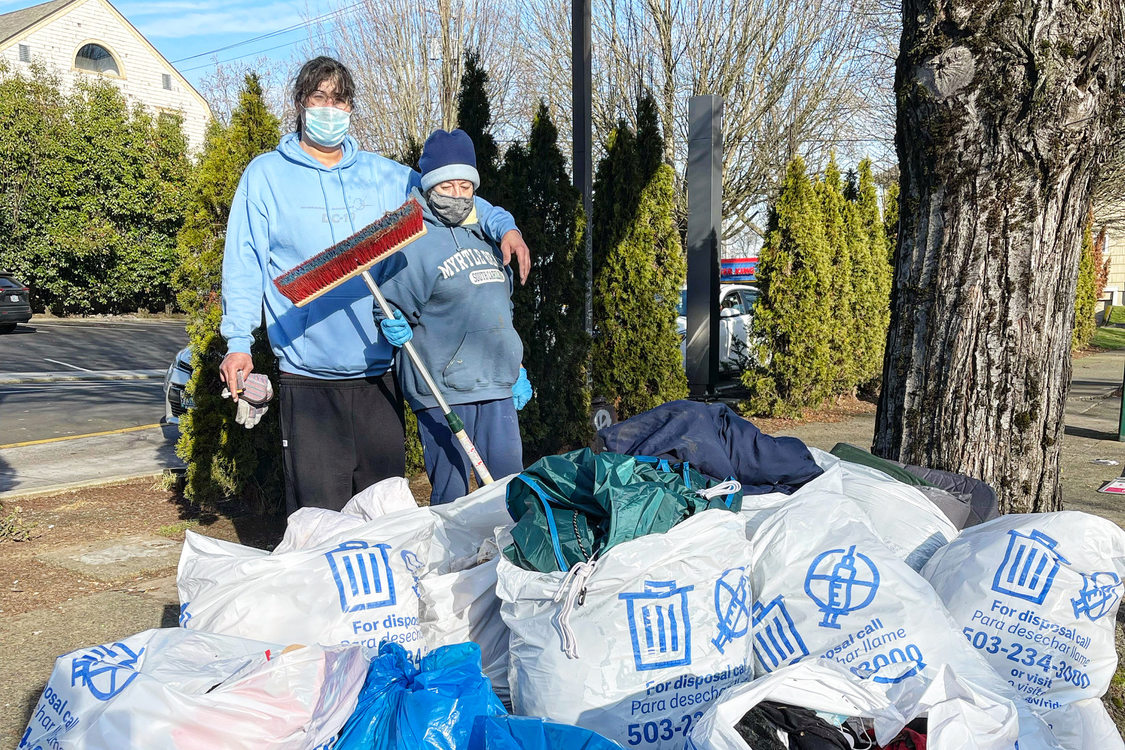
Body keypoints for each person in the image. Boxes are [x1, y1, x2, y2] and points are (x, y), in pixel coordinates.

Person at [219, 57, 530, 515]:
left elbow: (452, 195)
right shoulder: (265, 177)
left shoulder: (386, 177)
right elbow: (244, 263)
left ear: (350, 107)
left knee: (386, 521)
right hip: (309, 378)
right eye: (319, 97)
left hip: (378, 375)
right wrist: (239, 341)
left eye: (339, 99)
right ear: (301, 104)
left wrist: (504, 225)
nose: (330, 108)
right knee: (320, 521)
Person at [376, 129, 533, 505]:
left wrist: (515, 364)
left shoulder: (488, 234)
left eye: (466, 186)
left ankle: (505, 563)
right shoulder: (413, 242)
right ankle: (451, 564)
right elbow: (389, 304)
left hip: (496, 387)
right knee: (453, 501)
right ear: (429, 186)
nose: (458, 196)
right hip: (442, 391)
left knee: (510, 496)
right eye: (447, 186)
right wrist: (390, 323)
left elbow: (501, 308)